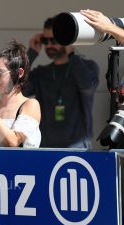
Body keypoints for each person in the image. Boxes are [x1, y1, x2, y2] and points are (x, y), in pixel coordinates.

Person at [24, 16, 100, 148]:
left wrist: (71, 53)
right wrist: (31, 53)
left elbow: (87, 86)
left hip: (78, 148)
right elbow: (19, 90)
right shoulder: (40, 73)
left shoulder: (87, 66)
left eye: (54, 39)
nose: (49, 45)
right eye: (45, 40)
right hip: (46, 148)